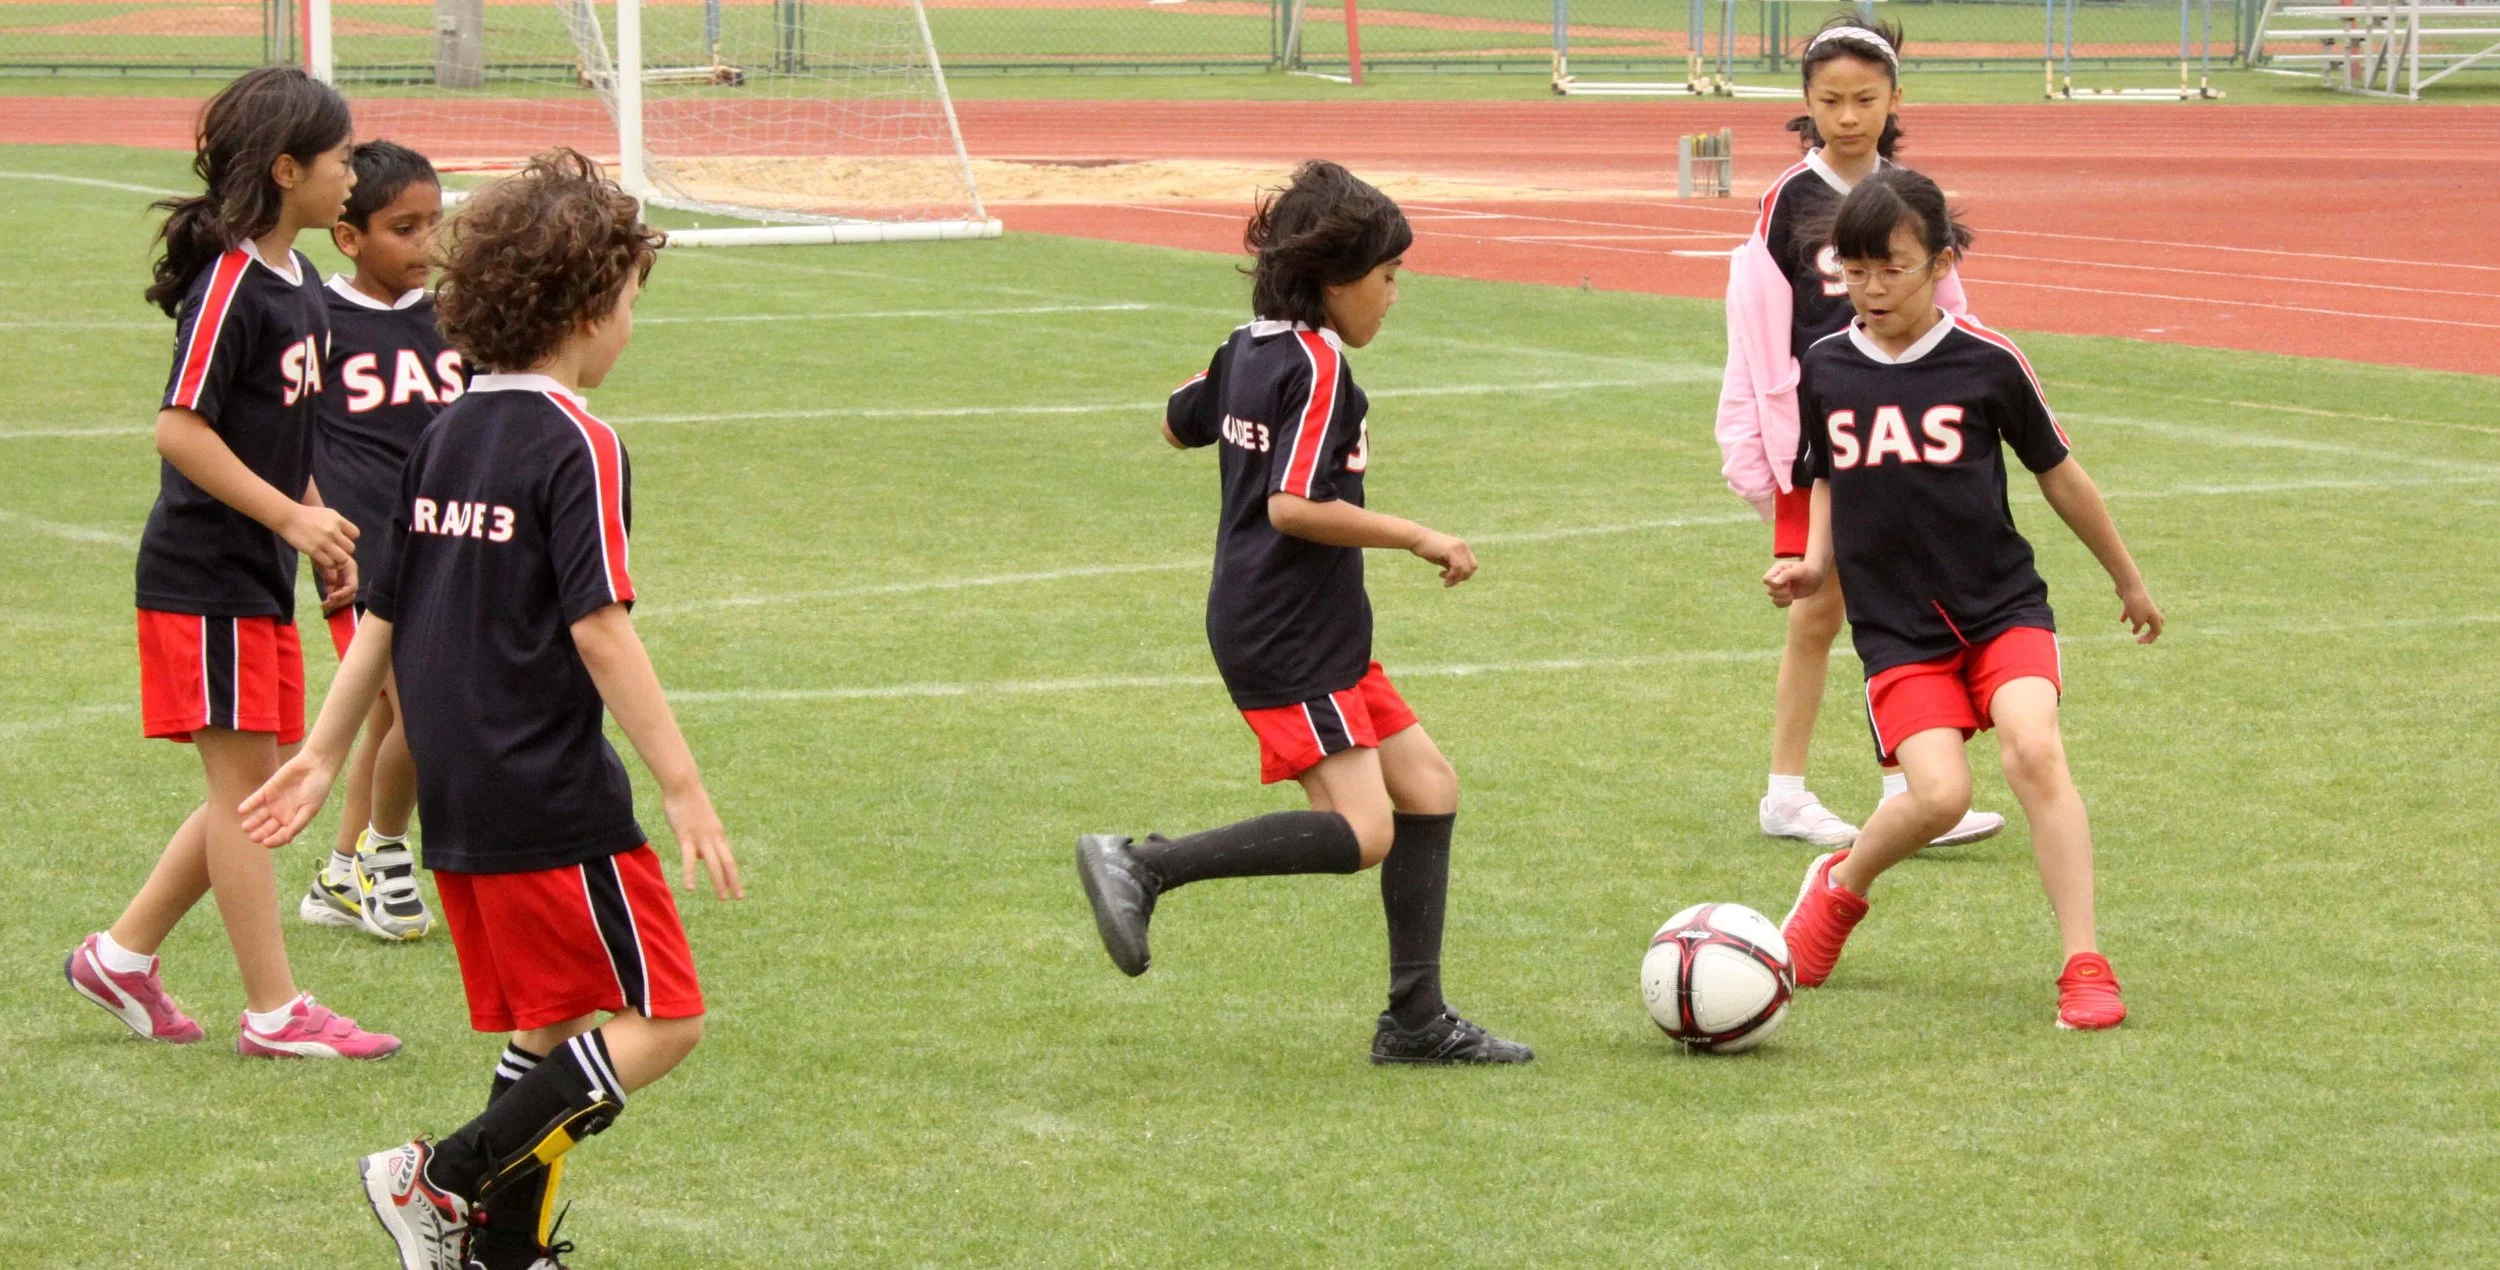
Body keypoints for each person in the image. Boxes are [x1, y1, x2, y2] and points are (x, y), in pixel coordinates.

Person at [239, 148, 744, 1269]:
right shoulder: (578, 442)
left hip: (459, 794)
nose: (627, 329)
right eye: (626, 306)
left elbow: (381, 613)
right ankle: (440, 1175)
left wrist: (328, 755)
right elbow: (600, 627)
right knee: (665, 1020)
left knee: (549, 1022)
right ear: (583, 310)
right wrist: (683, 786)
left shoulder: (446, 430)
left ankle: (501, 1252)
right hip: (549, 790)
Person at [1072, 160, 1531, 1067]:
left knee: (1428, 786)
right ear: (1334, 280)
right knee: (1365, 832)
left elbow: (1177, 422)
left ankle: (1415, 1021)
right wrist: (1416, 534)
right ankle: (1144, 865)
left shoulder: (1249, 346)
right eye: (1388, 277)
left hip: (1304, 622)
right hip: (1288, 629)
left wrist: (1234, 403)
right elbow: (1291, 504)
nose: (1396, 297)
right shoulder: (1320, 366)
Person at [1765, 169, 2161, 1030]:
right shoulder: (1825, 368)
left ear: (1941, 263)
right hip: (1896, 633)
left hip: (2002, 609)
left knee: (2033, 750)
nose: (1871, 288)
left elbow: (2059, 476)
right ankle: (1841, 884)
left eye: (1891, 268)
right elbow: (1825, 475)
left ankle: (2083, 963)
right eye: (1854, 270)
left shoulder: (1989, 360)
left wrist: (2125, 576)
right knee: (1938, 798)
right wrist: (1811, 562)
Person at [64, 66, 400, 1061]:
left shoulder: (302, 285)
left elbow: (273, 438)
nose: (354, 169)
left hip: (254, 575)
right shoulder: (228, 283)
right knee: (248, 800)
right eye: (340, 156)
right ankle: (275, 1010)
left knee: (249, 790)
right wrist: (290, 523)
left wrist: (316, 525)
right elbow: (182, 430)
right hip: (201, 576)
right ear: (288, 168)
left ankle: (121, 956)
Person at [1715, 15, 2004, 851]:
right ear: (1806, 103)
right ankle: (1786, 791)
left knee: (1899, 599)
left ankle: (1907, 788)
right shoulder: (1786, 203)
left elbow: (1951, 313)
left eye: (1865, 99)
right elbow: (1758, 334)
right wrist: (1762, 440)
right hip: (1818, 436)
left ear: (1894, 100)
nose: (1848, 116)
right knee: (1819, 607)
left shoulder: (1912, 197)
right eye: (1830, 100)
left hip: (1903, 431)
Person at [300, 139, 461, 943]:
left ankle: (339, 872)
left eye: (435, 224)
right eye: (404, 228)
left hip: (449, 552)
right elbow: (282, 440)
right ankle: (382, 857)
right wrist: (320, 534)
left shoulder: (455, 320)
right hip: (363, 563)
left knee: (388, 722)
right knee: (423, 712)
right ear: (349, 236)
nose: (426, 245)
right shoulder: (315, 319)